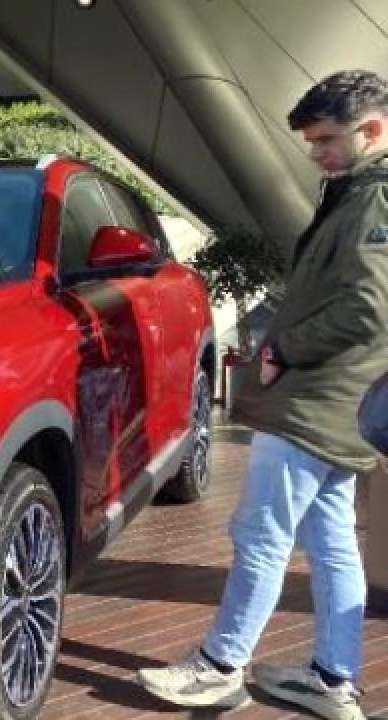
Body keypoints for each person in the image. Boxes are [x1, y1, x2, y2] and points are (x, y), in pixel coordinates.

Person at [136, 69, 388, 720]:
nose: (316, 153)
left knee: (261, 533)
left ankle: (221, 667)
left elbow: (370, 309)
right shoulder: (359, 192)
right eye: (311, 141)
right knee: (331, 540)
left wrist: (282, 351)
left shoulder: (376, 201)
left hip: (314, 399)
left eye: (327, 139)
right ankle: (331, 678)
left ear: (373, 129)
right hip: (339, 403)